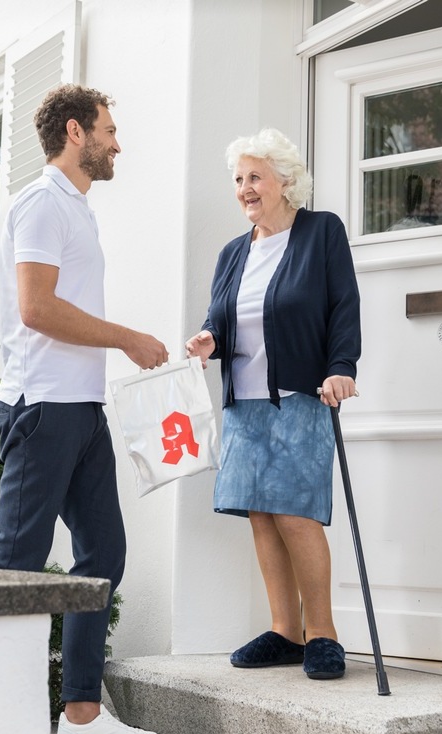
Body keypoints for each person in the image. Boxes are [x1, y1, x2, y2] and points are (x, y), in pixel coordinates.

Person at [0, 84, 167, 734]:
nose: (118, 143)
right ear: (74, 131)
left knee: (102, 555)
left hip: (83, 410)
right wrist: (126, 337)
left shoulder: (78, 210)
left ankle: (82, 717)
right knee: (16, 566)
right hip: (43, 410)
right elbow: (36, 309)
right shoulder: (41, 205)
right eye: (109, 130)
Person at [185, 128, 361, 681]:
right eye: (238, 180)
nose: (245, 189)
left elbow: (343, 304)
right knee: (261, 514)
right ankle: (286, 631)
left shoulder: (320, 232)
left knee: (296, 513)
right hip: (245, 400)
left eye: (254, 177)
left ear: (285, 181)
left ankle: (323, 632)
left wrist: (341, 367)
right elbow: (222, 316)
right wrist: (208, 338)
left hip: (300, 395)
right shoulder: (234, 252)